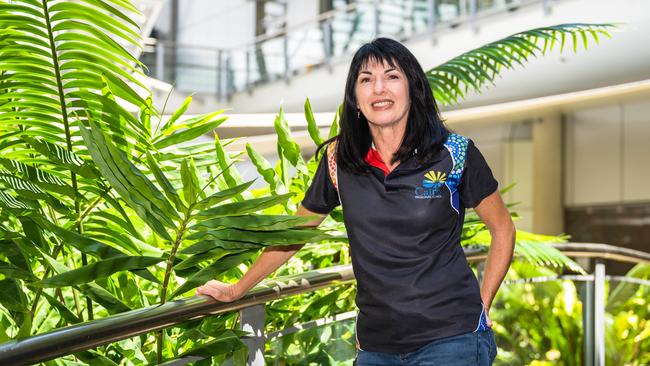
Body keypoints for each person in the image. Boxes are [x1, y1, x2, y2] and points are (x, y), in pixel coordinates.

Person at [196, 37, 515, 365]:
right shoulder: (339, 160)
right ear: (355, 97)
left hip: (452, 339)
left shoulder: (454, 152)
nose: (379, 88)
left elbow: (503, 229)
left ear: (413, 88)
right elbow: (294, 234)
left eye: (392, 76)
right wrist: (238, 289)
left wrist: (483, 302)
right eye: (366, 79)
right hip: (376, 347)